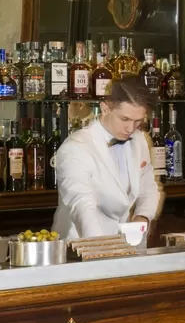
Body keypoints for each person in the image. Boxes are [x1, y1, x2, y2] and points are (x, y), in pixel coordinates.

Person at [52, 78, 162, 240]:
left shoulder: (139, 140)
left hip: (123, 244)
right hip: (80, 245)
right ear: (105, 108)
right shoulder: (76, 147)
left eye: (137, 121)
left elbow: (148, 186)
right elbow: (81, 203)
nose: (130, 129)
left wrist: (143, 217)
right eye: (124, 119)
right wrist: (100, 248)